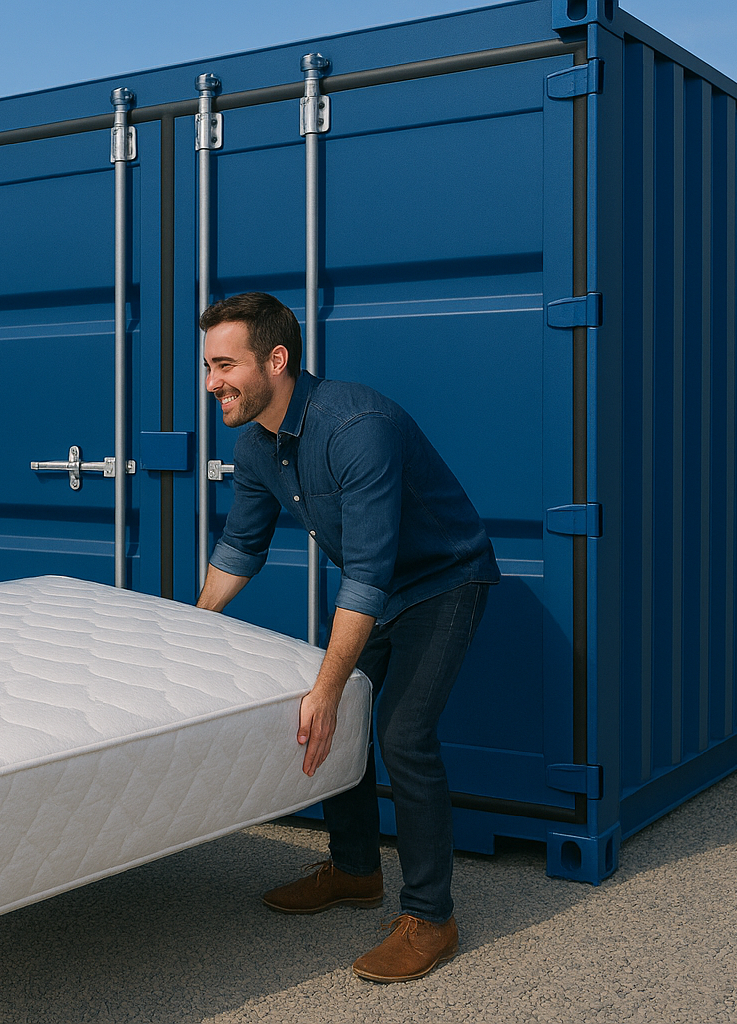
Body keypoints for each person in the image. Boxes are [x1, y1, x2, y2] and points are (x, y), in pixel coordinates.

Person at [194, 292, 499, 984]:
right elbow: (240, 548)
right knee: (340, 721)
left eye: (223, 365)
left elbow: (366, 573)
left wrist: (326, 689)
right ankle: (357, 872)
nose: (211, 383)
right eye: (207, 366)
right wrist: (188, 629)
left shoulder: (355, 425)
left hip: (443, 580)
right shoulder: (254, 445)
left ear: (277, 360)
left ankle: (431, 917)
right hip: (376, 590)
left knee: (401, 733)